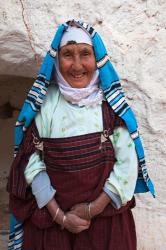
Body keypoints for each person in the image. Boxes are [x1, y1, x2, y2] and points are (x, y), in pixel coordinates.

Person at [7, 20, 155, 250]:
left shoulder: (110, 108)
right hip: (52, 228)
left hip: (106, 226)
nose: (77, 65)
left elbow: (127, 163)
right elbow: (31, 164)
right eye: (68, 54)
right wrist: (61, 217)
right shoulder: (44, 107)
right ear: (56, 59)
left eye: (85, 53)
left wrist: (92, 209)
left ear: (96, 59)